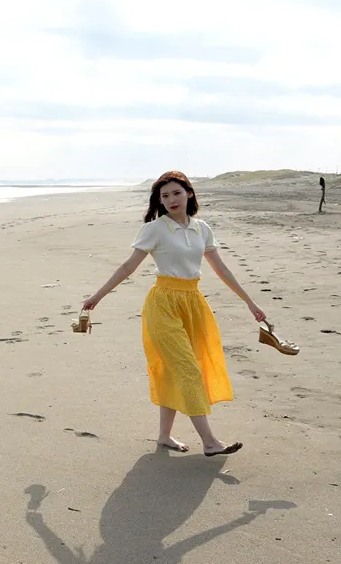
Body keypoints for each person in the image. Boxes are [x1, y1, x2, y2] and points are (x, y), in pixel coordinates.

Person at [81, 171, 266, 456]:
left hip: (193, 303)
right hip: (163, 305)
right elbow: (128, 267)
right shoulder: (154, 229)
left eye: (176, 193)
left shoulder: (201, 228)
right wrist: (98, 296)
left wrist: (249, 302)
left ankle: (164, 437)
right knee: (187, 369)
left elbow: (221, 269)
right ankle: (210, 443)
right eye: (164, 196)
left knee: (175, 370)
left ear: (189, 193)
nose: (170, 200)